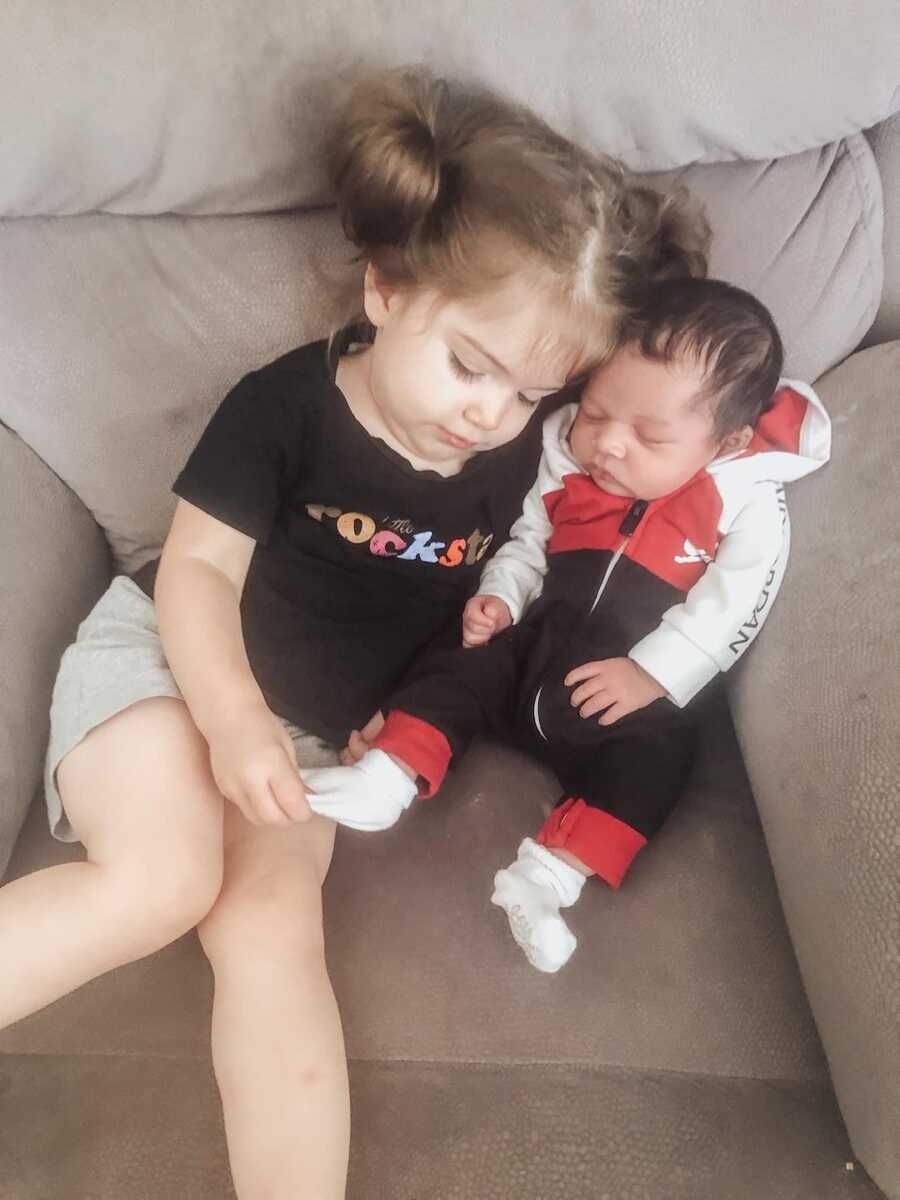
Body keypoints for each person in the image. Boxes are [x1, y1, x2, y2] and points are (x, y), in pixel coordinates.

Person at [0, 69, 709, 1198]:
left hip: (319, 737)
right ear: (385, 288)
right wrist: (232, 723)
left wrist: (400, 719)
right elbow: (195, 569)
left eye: (530, 394)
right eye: (472, 365)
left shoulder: (520, 465)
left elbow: (499, 599)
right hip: (170, 665)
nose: (491, 413)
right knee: (164, 881)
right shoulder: (286, 407)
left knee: (274, 932)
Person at [300, 277, 832, 974]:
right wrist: (502, 599)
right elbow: (528, 537)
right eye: (597, 411)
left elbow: (741, 597)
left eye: (649, 435)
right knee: (459, 661)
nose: (607, 444)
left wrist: (655, 673)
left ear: (724, 442)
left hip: (625, 692)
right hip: (536, 650)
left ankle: (548, 877)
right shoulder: (564, 453)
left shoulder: (746, 496)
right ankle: (391, 772)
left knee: (662, 760)